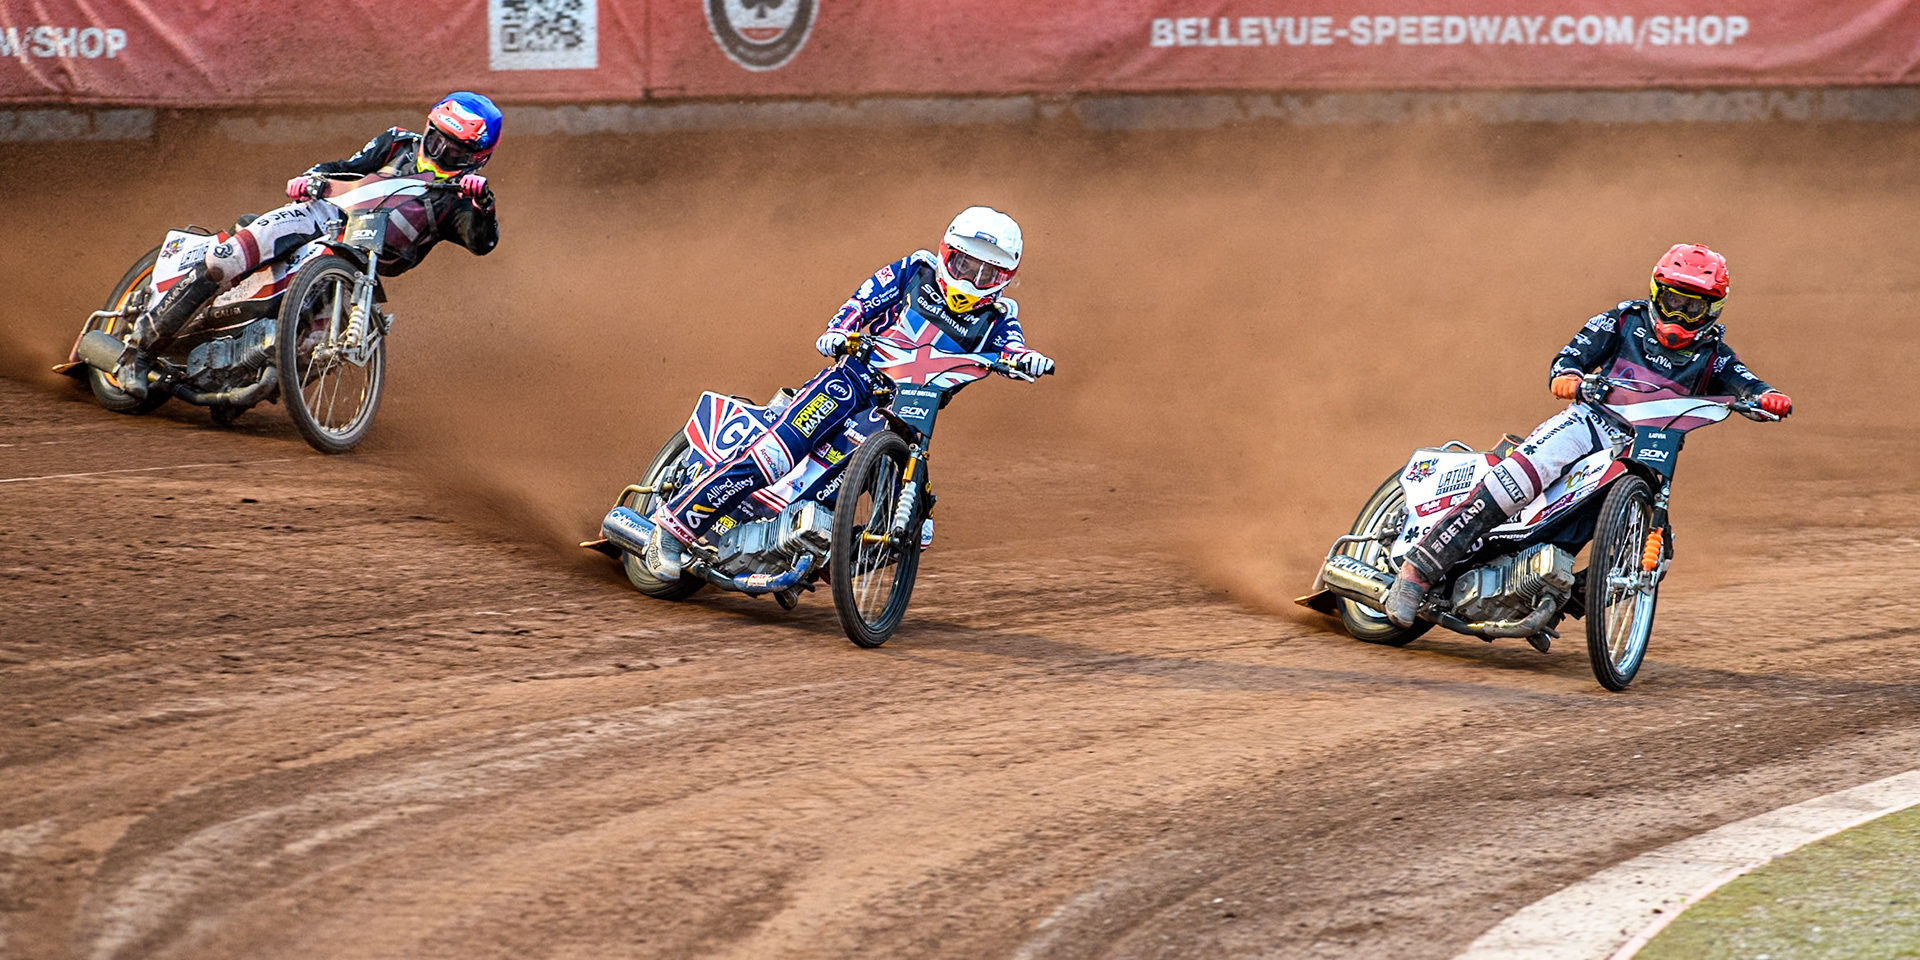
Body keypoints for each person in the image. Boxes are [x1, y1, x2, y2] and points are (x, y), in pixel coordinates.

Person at [1383, 243, 1794, 627]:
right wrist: (1570, 378)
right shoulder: (1622, 320)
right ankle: (1417, 572)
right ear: (1656, 292)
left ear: (1713, 310)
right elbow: (1569, 358)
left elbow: (1747, 384)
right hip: (1587, 422)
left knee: (1654, 554)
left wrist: (1768, 397)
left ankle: (1555, 599)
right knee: (1524, 476)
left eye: (1693, 306)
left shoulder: (1715, 356)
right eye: (1673, 301)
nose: (1680, 315)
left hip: (1650, 445)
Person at [639, 205, 1056, 580]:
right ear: (948, 252)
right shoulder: (916, 270)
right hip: (853, 378)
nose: (972, 279)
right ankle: (673, 531)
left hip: (907, 412)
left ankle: (818, 559)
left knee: (915, 528)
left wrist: (1027, 360)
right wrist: (839, 331)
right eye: (965, 263)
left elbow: (1013, 348)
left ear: (1005, 278)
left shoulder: (1000, 318)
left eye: (987, 272)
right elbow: (864, 299)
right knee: (776, 453)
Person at [114, 91, 504, 398]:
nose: (436, 152)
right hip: (321, 216)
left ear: (477, 159)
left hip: (354, 265)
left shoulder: (461, 201)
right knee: (225, 260)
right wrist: (309, 178)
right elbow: (339, 166)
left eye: (453, 151)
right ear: (428, 127)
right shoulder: (396, 143)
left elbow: (482, 242)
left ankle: (238, 383)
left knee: (314, 348)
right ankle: (136, 353)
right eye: (435, 139)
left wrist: (483, 205)